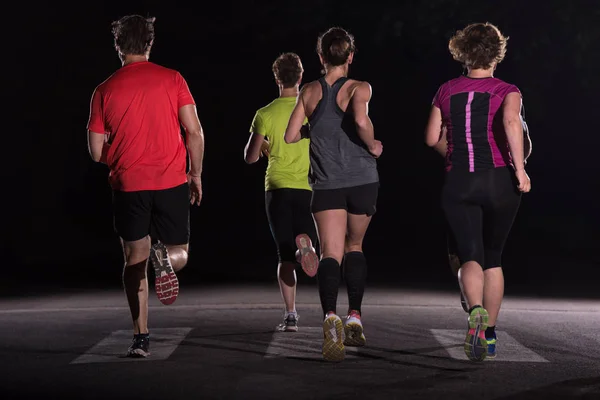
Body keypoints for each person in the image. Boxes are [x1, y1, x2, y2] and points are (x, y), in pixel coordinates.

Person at [87, 15, 205, 358]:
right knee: (179, 253)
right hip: (171, 180)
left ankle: (140, 338)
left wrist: (123, 156)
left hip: (128, 184)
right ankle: (164, 258)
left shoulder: (104, 90)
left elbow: (96, 151)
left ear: (118, 46)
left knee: (133, 260)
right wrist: (195, 175)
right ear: (149, 44)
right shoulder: (173, 79)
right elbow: (195, 132)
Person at [425, 22, 531, 362]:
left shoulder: (445, 90)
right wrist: (520, 170)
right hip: (500, 181)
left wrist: (455, 152)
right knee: (493, 258)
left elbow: (430, 138)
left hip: (459, 182)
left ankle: (474, 310)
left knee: (470, 255)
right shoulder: (507, 90)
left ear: (463, 53)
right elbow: (512, 124)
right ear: (496, 54)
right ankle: (489, 334)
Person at [284, 27, 383, 362]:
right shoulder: (360, 87)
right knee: (355, 246)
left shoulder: (309, 90)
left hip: (326, 183)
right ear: (350, 57)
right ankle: (354, 316)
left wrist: (316, 128)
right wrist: (372, 145)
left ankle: (330, 319)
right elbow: (360, 120)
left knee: (330, 253)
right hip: (361, 179)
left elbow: (290, 135)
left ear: (321, 57)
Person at [244, 52, 319, 332]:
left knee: (283, 255)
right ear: (301, 77)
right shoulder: (311, 110)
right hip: (307, 187)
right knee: (304, 238)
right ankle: (308, 249)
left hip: (276, 187)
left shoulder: (264, 113)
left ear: (277, 79)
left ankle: (290, 315)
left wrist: (263, 147)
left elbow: (250, 157)